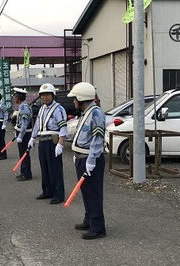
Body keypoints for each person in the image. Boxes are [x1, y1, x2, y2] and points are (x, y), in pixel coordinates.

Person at [67, 81, 106, 240]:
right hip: (82, 158)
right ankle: (89, 219)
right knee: (86, 191)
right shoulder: (86, 113)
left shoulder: (96, 113)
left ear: (82, 98)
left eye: (74, 98)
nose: (73, 101)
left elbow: (97, 139)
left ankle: (98, 226)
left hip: (91, 160)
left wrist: (91, 160)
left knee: (93, 192)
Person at [28, 83, 68, 204]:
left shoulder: (58, 109)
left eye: (47, 95)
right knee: (44, 168)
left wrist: (60, 144)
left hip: (53, 142)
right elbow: (37, 125)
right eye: (42, 95)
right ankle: (47, 191)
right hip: (42, 141)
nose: (44, 97)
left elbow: (63, 128)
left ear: (53, 95)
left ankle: (58, 194)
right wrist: (32, 138)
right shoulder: (42, 108)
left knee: (55, 169)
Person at [12, 87, 33, 181]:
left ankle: (27, 174)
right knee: (22, 154)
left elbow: (25, 124)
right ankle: (23, 172)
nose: (14, 98)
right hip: (21, 132)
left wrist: (20, 136)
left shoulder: (24, 108)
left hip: (25, 134)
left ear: (18, 97)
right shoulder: (22, 107)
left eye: (15, 96)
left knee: (25, 154)